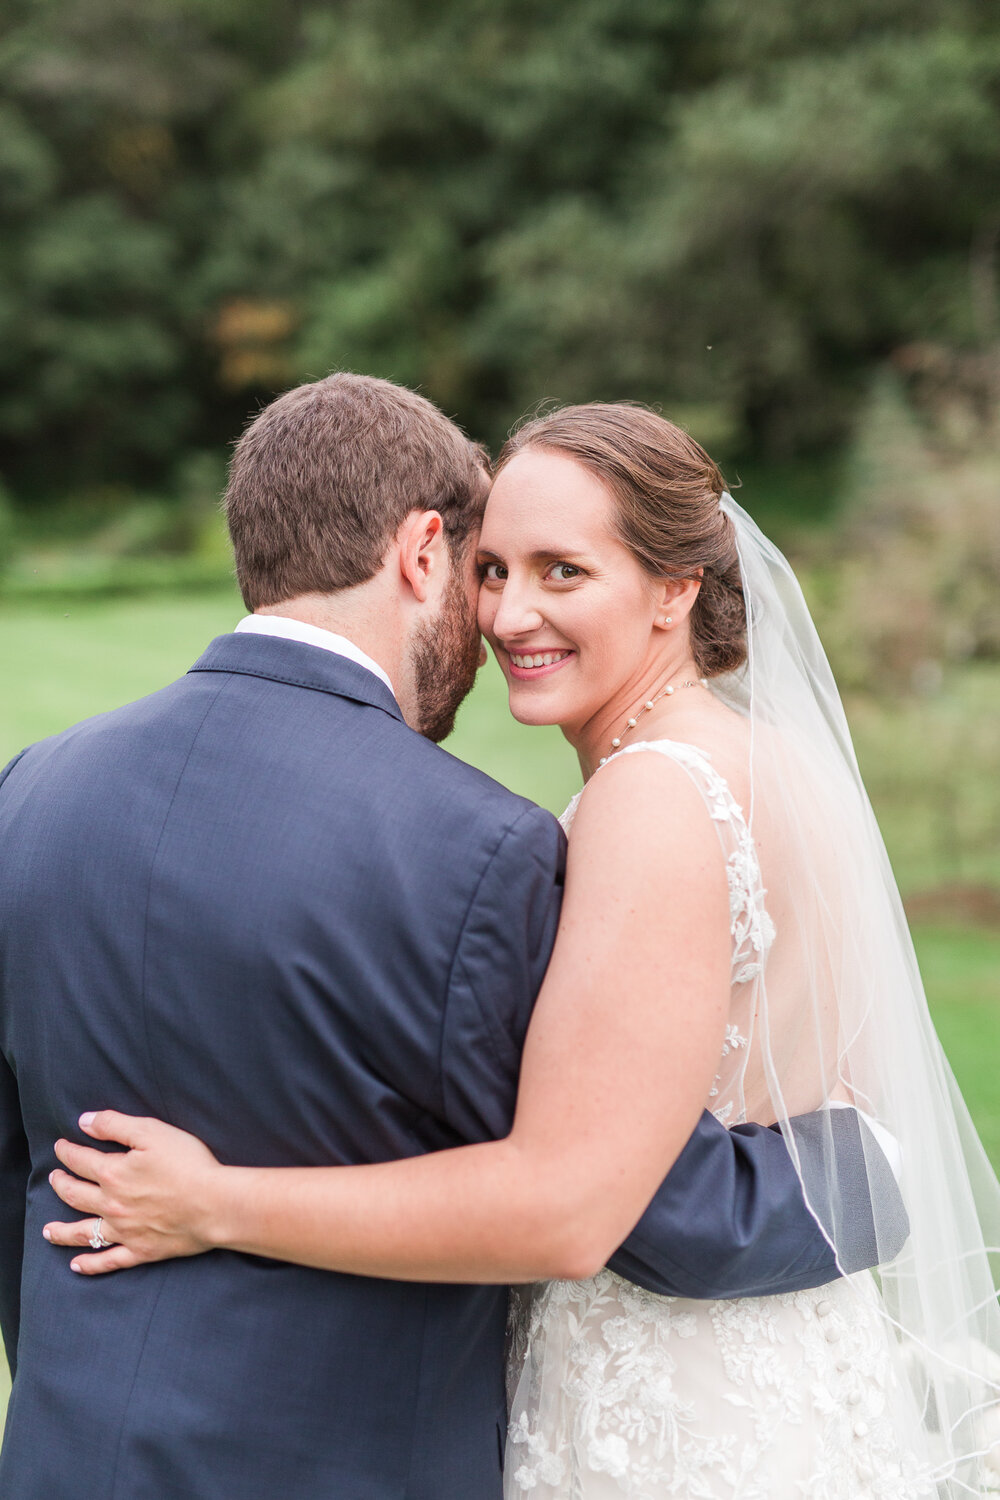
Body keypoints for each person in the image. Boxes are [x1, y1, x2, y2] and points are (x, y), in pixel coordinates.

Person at [43, 399, 1000, 1496]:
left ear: (675, 589)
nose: (507, 614)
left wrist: (216, 1202)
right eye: (491, 569)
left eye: (562, 572)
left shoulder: (654, 798)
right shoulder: (764, 762)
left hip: (668, 1414)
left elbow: (562, 1207)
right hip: (782, 1365)